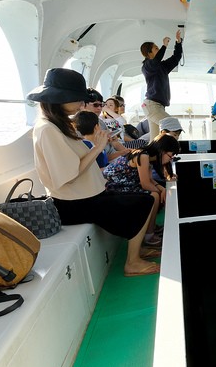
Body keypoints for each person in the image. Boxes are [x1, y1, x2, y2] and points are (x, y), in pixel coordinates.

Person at [28, 67, 161, 276]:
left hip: (88, 195)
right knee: (143, 202)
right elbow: (69, 175)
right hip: (73, 203)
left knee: (143, 198)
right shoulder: (48, 130)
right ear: (60, 98)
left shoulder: (60, 125)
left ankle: (138, 249)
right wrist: (97, 148)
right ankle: (132, 263)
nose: (82, 104)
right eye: (78, 99)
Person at [102, 134, 180, 248]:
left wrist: (162, 189)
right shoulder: (143, 155)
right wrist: (160, 192)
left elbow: (150, 179)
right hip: (115, 187)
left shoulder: (148, 156)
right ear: (162, 151)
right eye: (171, 155)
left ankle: (150, 228)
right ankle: (149, 236)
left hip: (127, 184)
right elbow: (145, 184)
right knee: (154, 196)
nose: (171, 159)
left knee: (157, 193)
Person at [141, 28, 183, 139]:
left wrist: (178, 42)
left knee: (155, 139)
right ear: (149, 53)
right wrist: (164, 46)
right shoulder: (147, 66)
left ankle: (153, 156)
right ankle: (173, 153)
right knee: (174, 127)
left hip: (159, 107)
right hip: (152, 105)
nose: (159, 49)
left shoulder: (162, 66)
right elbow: (155, 62)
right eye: (156, 48)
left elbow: (176, 58)